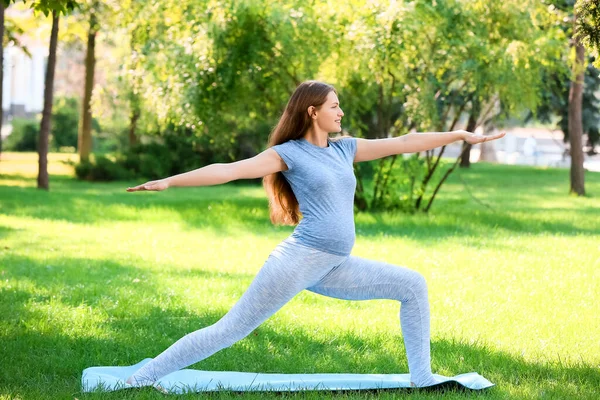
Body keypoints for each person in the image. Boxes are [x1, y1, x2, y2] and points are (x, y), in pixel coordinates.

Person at [124, 80, 505, 388]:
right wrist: (169, 182)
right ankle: (142, 378)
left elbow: (404, 143)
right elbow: (230, 169)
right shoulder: (289, 153)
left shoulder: (343, 149)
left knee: (412, 285)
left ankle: (422, 378)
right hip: (298, 261)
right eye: (334, 106)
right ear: (313, 111)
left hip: (334, 264)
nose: (341, 112)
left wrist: (458, 135)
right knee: (230, 330)